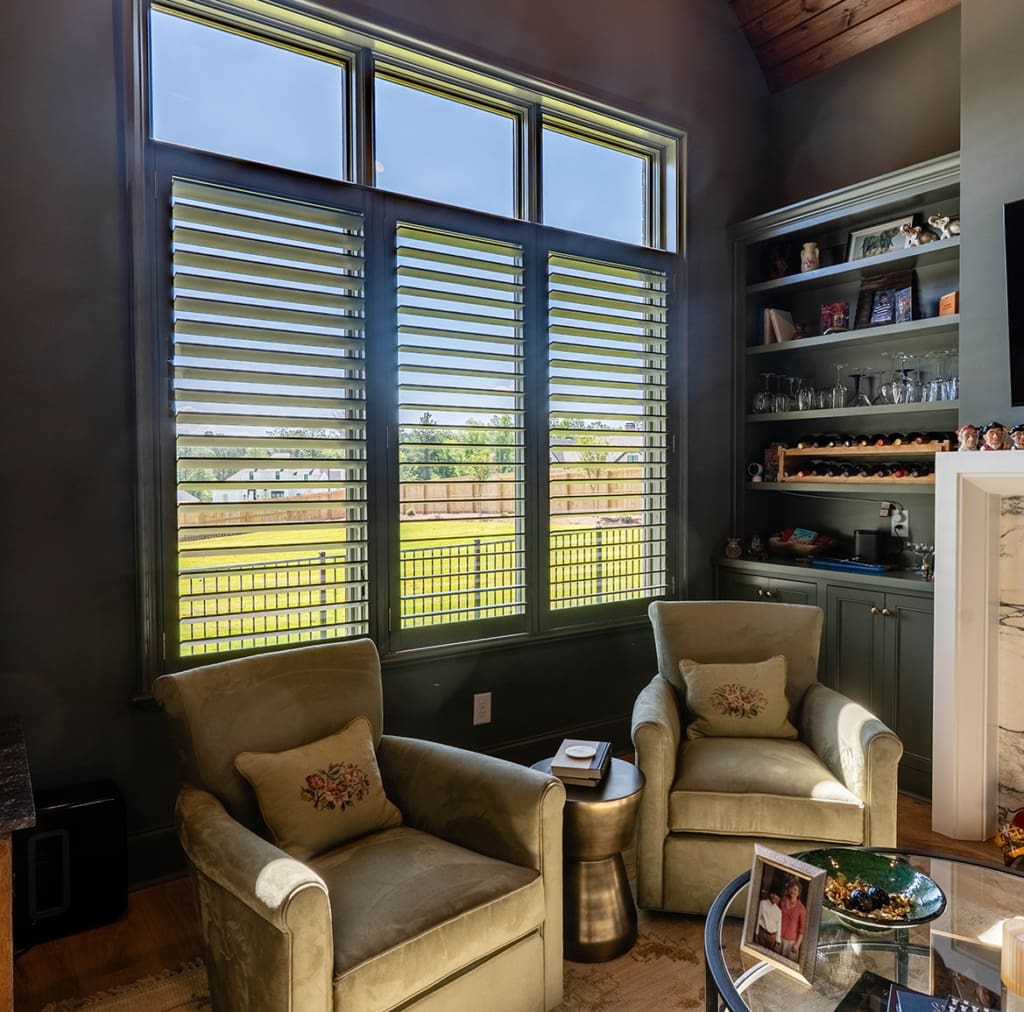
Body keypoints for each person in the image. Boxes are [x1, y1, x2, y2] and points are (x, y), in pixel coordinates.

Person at [779, 877, 807, 961]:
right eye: (791, 888)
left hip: (791, 944)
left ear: (798, 893)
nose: (792, 891)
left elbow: (802, 930)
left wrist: (797, 944)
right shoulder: (782, 901)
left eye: (795, 889)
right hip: (778, 939)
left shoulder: (801, 908)